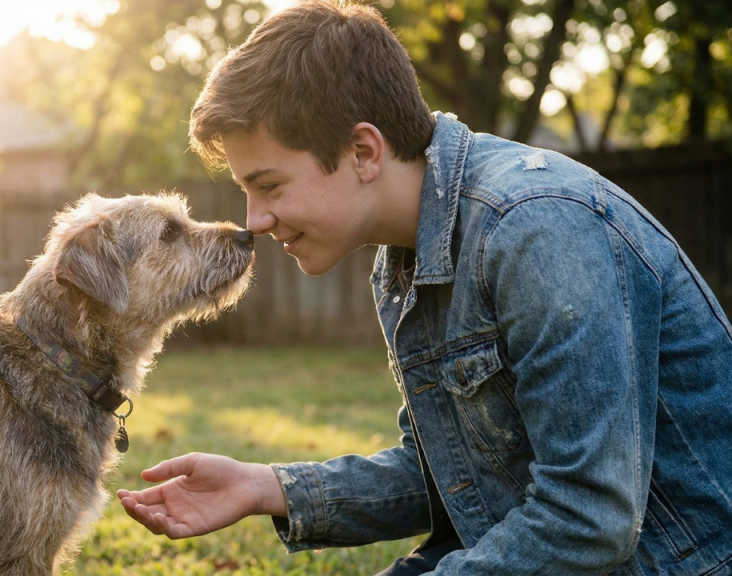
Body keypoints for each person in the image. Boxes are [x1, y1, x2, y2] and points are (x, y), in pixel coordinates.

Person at [116, 1, 732, 574]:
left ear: (363, 151)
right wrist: (265, 487)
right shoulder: (406, 255)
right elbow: (444, 472)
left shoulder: (537, 229)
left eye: (270, 186)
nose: (253, 221)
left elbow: (589, 519)